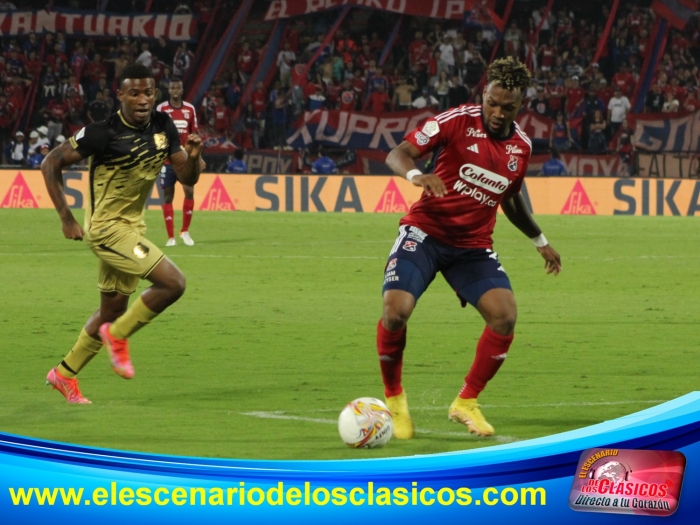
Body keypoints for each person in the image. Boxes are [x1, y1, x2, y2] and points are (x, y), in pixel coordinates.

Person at [379, 56, 561, 439]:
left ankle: (466, 402)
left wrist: (540, 241)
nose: (497, 113)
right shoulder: (456, 121)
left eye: (507, 107)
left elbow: (510, 199)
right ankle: (395, 399)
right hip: (425, 234)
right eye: (492, 103)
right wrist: (417, 175)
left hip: (473, 247)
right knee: (395, 313)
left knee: (505, 316)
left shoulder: (521, 147)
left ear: (520, 105)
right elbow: (398, 153)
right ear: (484, 94)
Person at [41, 63, 203, 404]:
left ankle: (64, 374)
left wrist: (193, 156)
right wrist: (66, 218)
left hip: (132, 228)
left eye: (148, 93)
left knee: (112, 310)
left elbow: (187, 177)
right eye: (134, 93)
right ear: (121, 96)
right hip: (106, 230)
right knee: (173, 283)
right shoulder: (102, 132)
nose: (142, 99)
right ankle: (117, 337)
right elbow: (50, 163)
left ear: (155, 95)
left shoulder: (163, 126)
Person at [156, 78, 199, 247]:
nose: (175, 90)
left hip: (185, 160)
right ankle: (171, 237)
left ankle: (185, 231)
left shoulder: (190, 109)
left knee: (189, 191)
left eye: (178, 88)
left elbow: (194, 134)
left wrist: (198, 158)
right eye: (172, 88)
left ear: (181, 90)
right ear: (169, 90)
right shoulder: (161, 109)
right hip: (168, 160)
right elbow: (157, 133)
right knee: (168, 196)